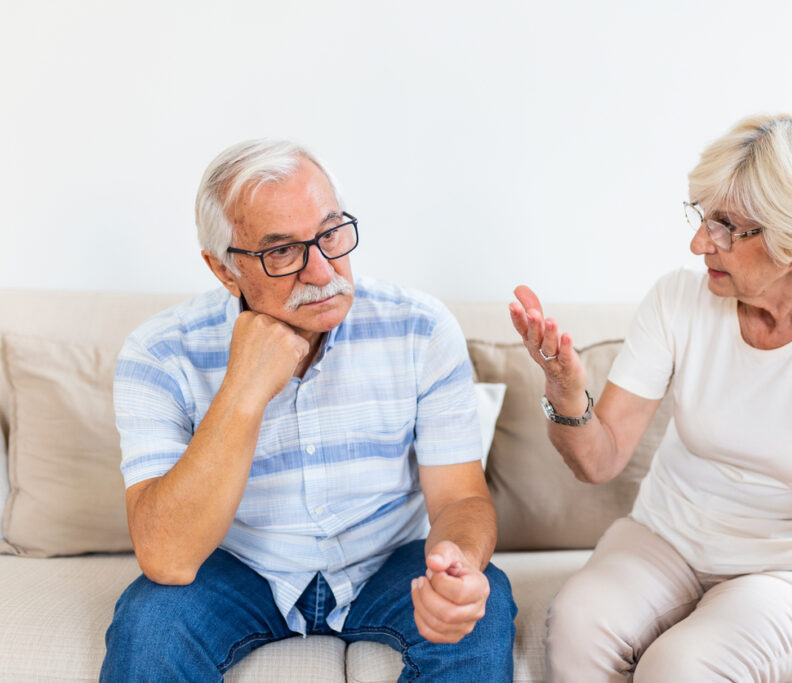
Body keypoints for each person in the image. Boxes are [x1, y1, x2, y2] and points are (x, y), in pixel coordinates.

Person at [509, 114, 792, 681]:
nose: (697, 242)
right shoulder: (676, 300)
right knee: (578, 626)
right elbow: (597, 458)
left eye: (727, 227)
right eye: (702, 216)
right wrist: (567, 393)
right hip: (666, 540)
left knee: (679, 668)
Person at [101, 139, 516, 682]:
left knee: (483, 609)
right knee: (150, 620)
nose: (321, 272)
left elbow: (461, 497)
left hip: (386, 563)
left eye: (331, 233)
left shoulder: (420, 327)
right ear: (224, 271)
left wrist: (457, 565)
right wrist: (244, 392)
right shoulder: (158, 353)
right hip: (240, 569)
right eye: (281, 252)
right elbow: (168, 557)